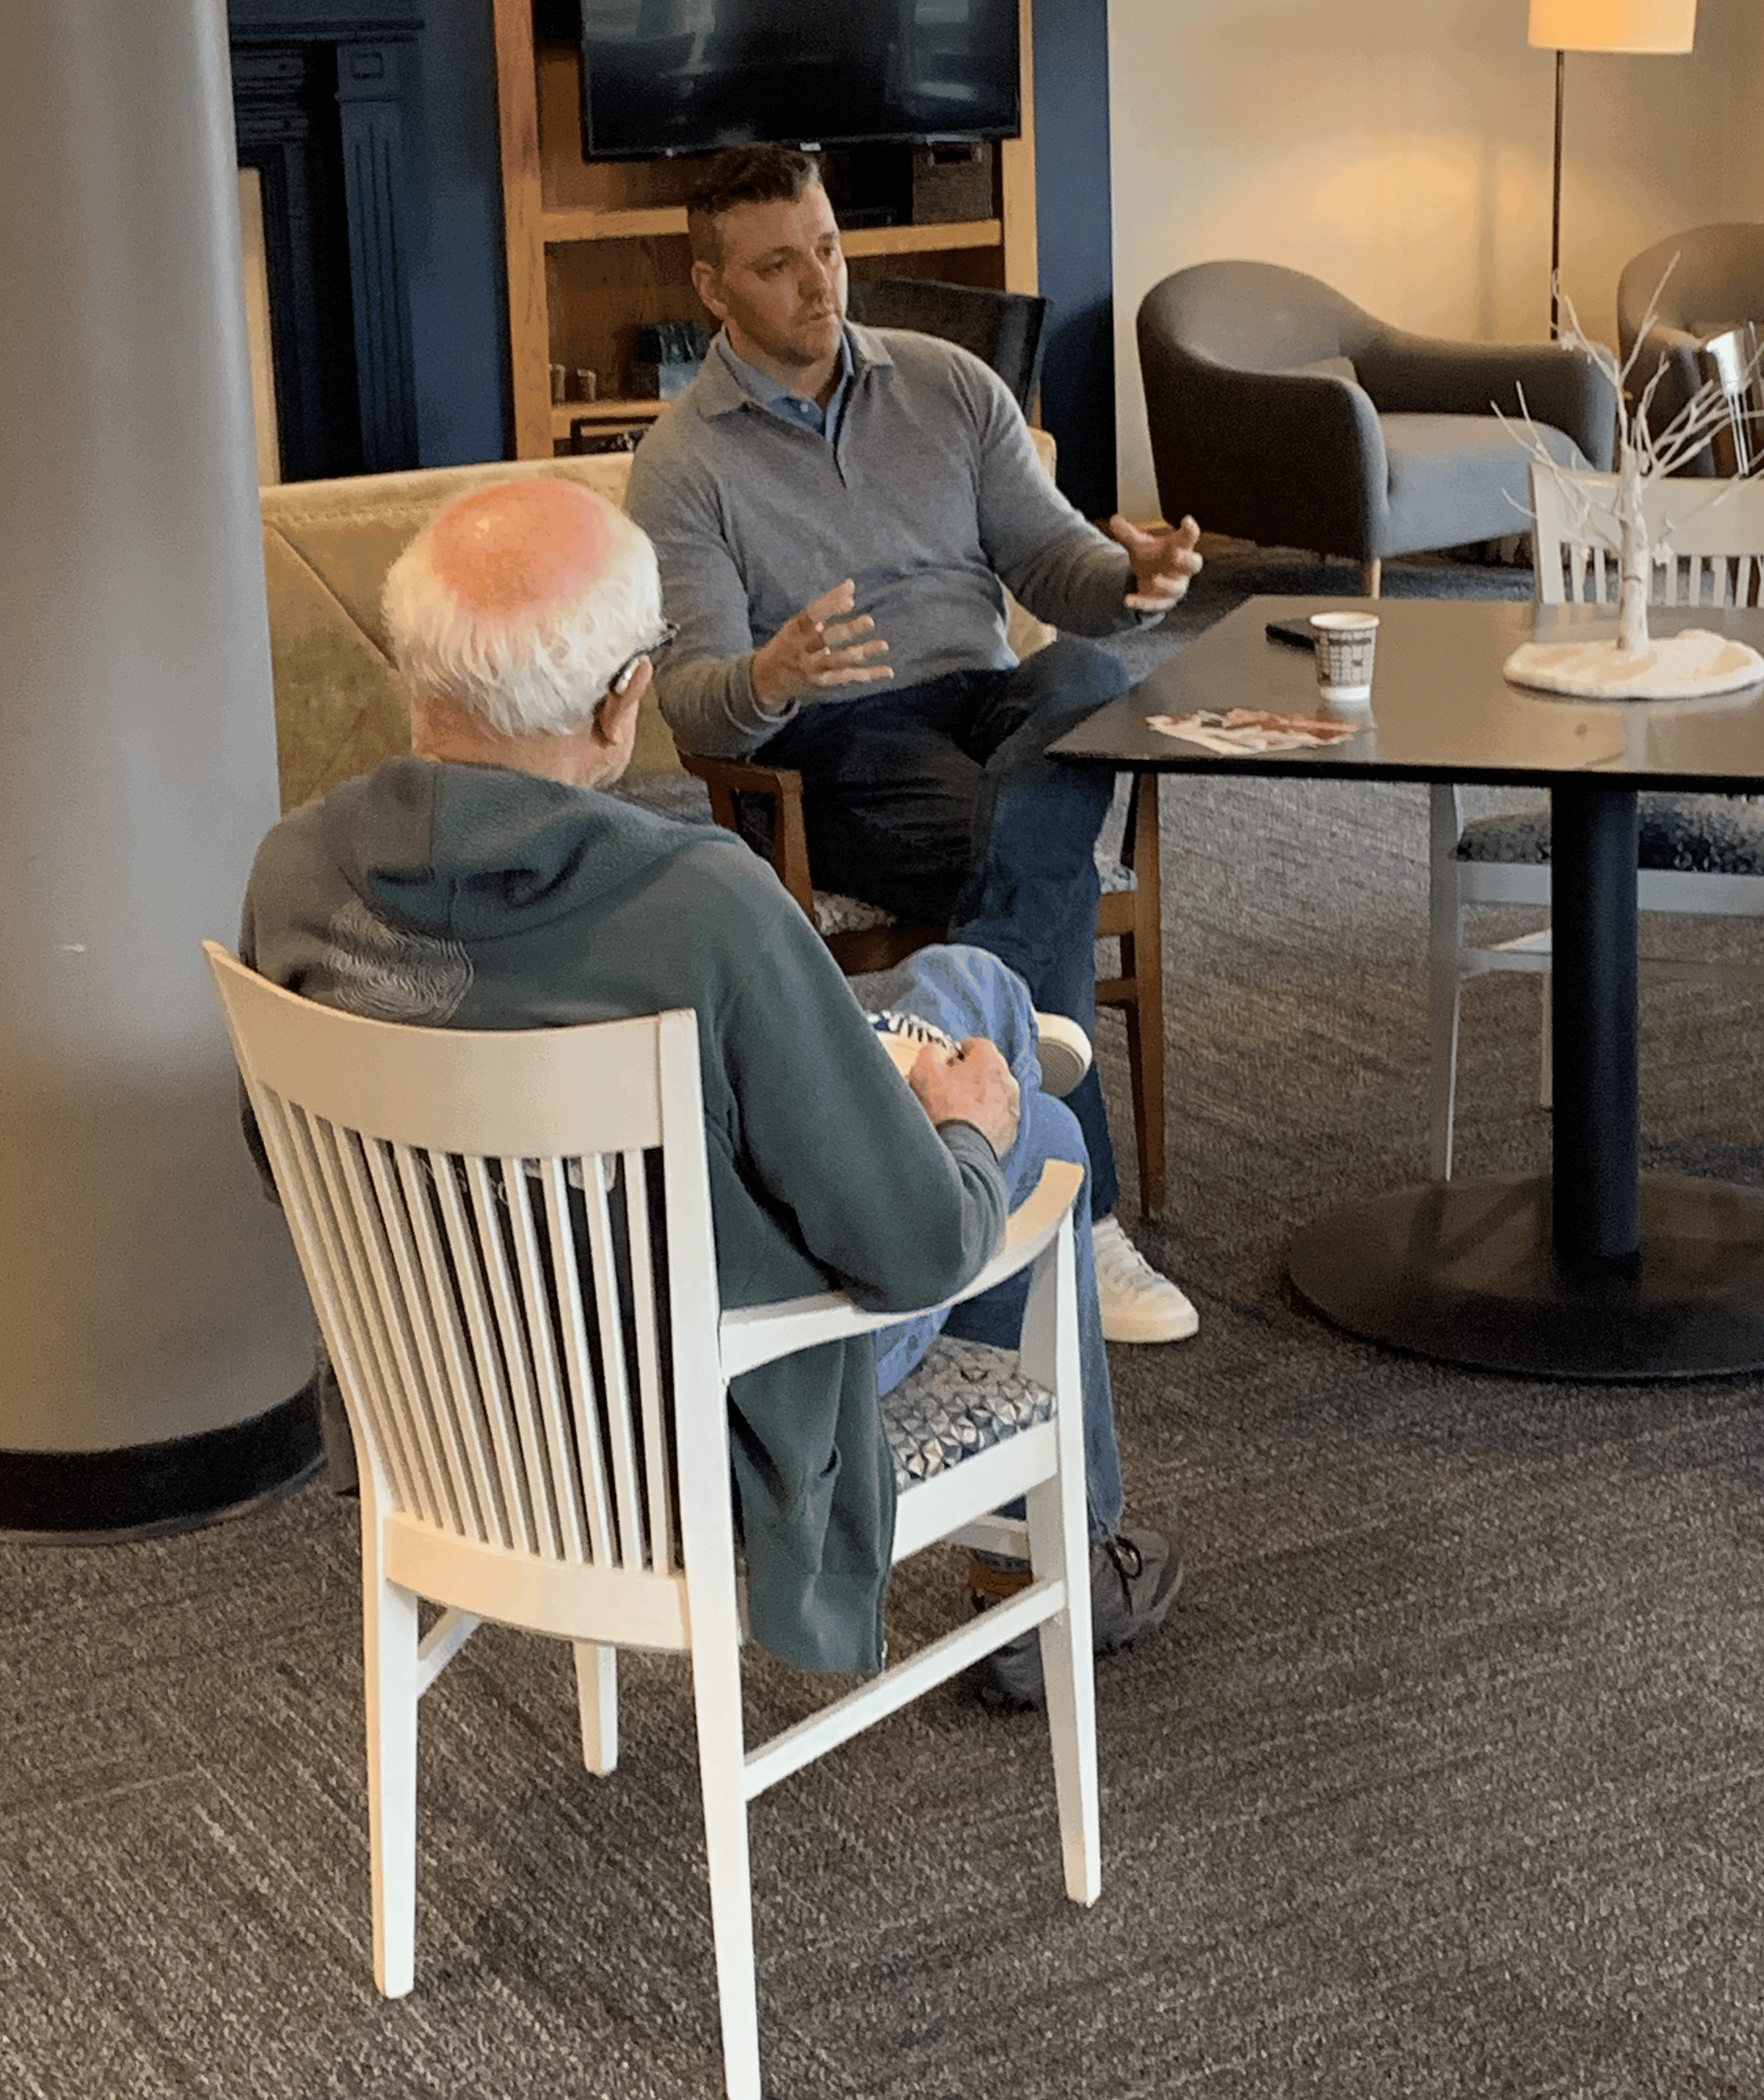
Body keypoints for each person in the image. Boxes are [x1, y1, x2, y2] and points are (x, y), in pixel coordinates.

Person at [240, 477, 1179, 1704]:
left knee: (954, 985)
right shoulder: (702, 905)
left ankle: (925, 1039)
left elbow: (281, 1160)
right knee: (1036, 1131)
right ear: (626, 697)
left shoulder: (293, 870)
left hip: (460, 1408)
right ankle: (1058, 1568)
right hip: (700, 1420)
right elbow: (916, 1251)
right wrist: (966, 1134)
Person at [625, 144, 1205, 1344]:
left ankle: (980, 1007)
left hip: (993, 712)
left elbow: (1057, 568)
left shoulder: (949, 385)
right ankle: (1081, 1219)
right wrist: (767, 676)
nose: (819, 284)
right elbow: (688, 697)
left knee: (1088, 676)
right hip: (833, 745)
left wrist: (1134, 581)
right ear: (712, 287)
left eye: (828, 249)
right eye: (779, 266)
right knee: (1046, 823)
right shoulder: (683, 466)